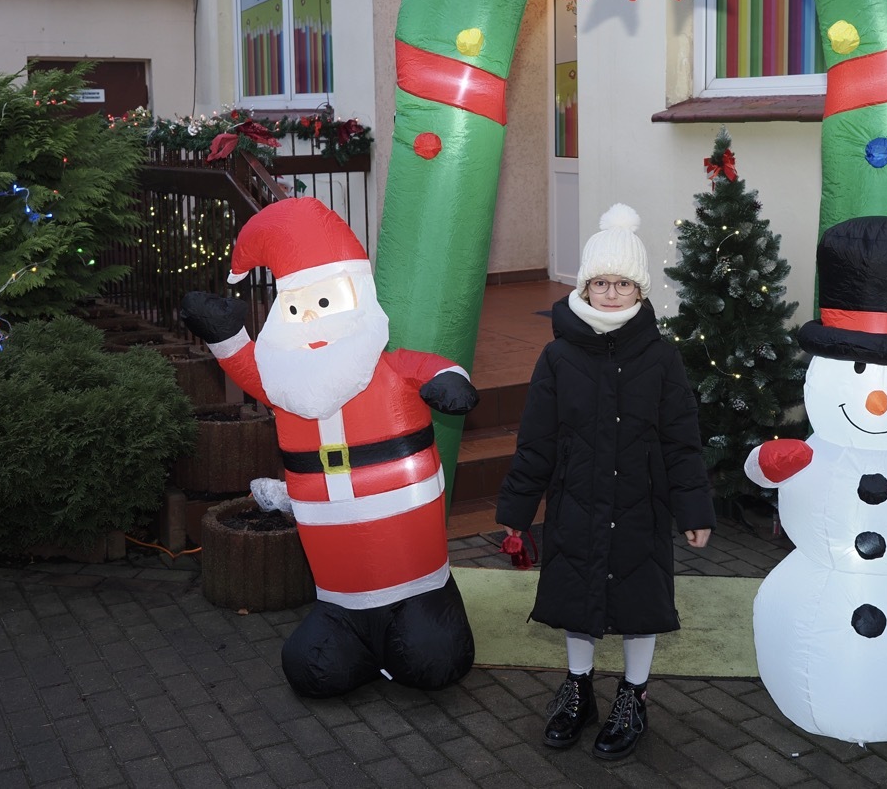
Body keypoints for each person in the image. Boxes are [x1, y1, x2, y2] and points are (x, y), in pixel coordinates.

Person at [180, 197, 479, 699]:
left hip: (417, 581)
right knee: (312, 668)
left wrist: (451, 380)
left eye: (323, 304)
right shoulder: (288, 381)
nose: (311, 322)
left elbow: (429, 367)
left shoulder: (388, 369)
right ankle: (350, 625)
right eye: (296, 308)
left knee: (431, 656)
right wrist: (225, 337)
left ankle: (419, 613)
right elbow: (253, 370)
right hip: (340, 592)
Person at [496, 203, 715, 761]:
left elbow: (681, 440)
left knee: (641, 601)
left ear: (640, 290)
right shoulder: (557, 356)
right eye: (601, 283)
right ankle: (578, 691)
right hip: (576, 501)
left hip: (643, 504)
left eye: (623, 284)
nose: (611, 294)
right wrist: (517, 511)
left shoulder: (662, 358)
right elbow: (537, 439)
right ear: (585, 287)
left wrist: (693, 510)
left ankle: (633, 696)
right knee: (576, 596)